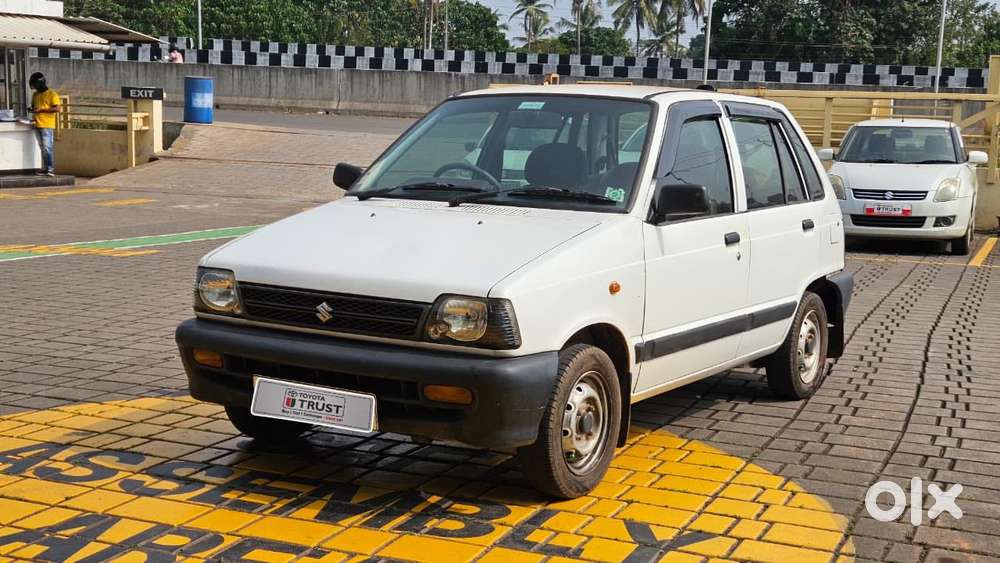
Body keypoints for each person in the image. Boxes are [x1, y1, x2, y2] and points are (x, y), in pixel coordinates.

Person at [29, 72, 60, 177]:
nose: (35, 88)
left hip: (47, 125)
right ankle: (45, 168)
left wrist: (41, 110)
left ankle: (50, 169)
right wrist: (32, 109)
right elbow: (34, 107)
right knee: (42, 148)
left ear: (40, 84)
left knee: (47, 148)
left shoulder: (52, 94)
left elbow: (57, 108)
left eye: (36, 86)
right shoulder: (35, 95)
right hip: (37, 124)